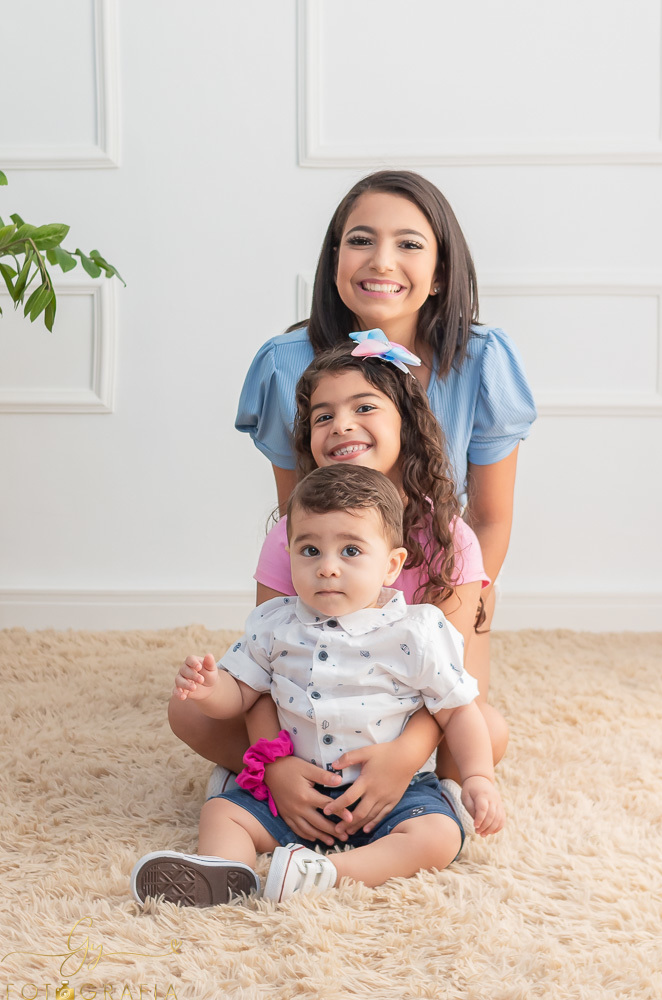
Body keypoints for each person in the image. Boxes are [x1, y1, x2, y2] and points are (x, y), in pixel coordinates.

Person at [170, 341, 507, 846]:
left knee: (487, 728)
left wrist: (400, 761)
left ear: (407, 424)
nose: (342, 425)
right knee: (188, 708)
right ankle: (269, 786)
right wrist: (274, 764)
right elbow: (266, 674)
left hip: (403, 726)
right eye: (323, 416)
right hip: (304, 720)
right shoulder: (292, 535)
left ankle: (414, 797)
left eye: (364, 407)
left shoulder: (450, 539)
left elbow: (449, 687)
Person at [132, 467, 504, 907]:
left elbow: (458, 710)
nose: (327, 568)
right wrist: (210, 689)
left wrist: (479, 777)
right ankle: (225, 874)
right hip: (294, 787)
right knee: (222, 812)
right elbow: (243, 694)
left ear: (391, 565)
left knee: (438, 836)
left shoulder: (416, 631)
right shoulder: (275, 624)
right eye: (310, 550)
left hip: (390, 793)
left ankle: (325, 875)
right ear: (289, 555)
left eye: (350, 551)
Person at [235, 169, 536, 700]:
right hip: (334, 584)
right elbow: (299, 516)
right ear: (334, 260)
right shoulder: (284, 365)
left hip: (441, 581)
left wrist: (448, 612)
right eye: (361, 240)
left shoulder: (483, 360)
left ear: (440, 273)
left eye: (409, 244)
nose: (381, 261)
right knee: (276, 709)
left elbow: (490, 519)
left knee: (463, 731)